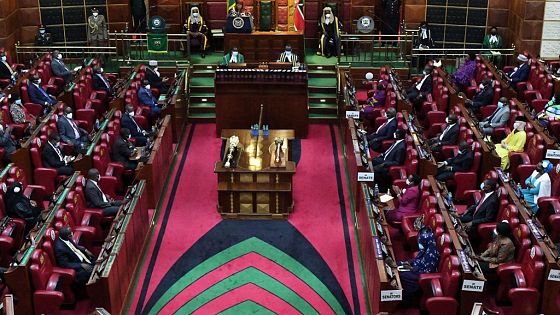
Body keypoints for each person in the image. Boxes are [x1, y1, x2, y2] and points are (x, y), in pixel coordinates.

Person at [398, 227, 440, 301]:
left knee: (401, 274)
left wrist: (411, 268)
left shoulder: (432, 254)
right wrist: (408, 264)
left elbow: (427, 271)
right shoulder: (426, 248)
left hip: (420, 274)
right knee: (398, 264)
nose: (419, 244)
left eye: (421, 242)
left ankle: (404, 298)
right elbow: (417, 260)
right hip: (416, 268)